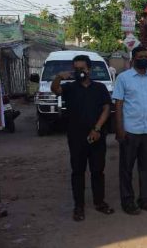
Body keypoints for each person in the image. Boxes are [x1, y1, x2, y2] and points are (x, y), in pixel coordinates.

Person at [50, 55, 114, 221]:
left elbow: (106, 109)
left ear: (89, 69)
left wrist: (97, 128)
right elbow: (55, 89)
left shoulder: (100, 88)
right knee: (78, 172)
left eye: (82, 69)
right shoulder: (70, 88)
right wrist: (58, 77)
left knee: (98, 171)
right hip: (76, 137)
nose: (80, 72)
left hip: (97, 136)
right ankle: (79, 207)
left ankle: (99, 202)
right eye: (76, 69)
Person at [113, 46, 147, 215]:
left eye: (146, 56)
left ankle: (144, 200)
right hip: (130, 130)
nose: (144, 59)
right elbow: (118, 104)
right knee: (126, 168)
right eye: (141, 56)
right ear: (133, 59)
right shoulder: (123, 78)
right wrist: (119, 129)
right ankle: (127, 201)